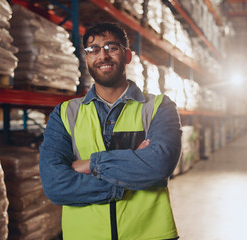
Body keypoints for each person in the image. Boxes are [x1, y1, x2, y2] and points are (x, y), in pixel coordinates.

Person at [39, 22, 182, 240]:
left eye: (111, 47)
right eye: (93, 50)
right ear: (86, 59)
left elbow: (159, 165)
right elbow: (55, 184)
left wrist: (90, 164)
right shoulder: (65, 114)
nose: (102, 56)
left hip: (149, 235)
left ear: (127, 56)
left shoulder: (159, 107)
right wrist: (128, 180)